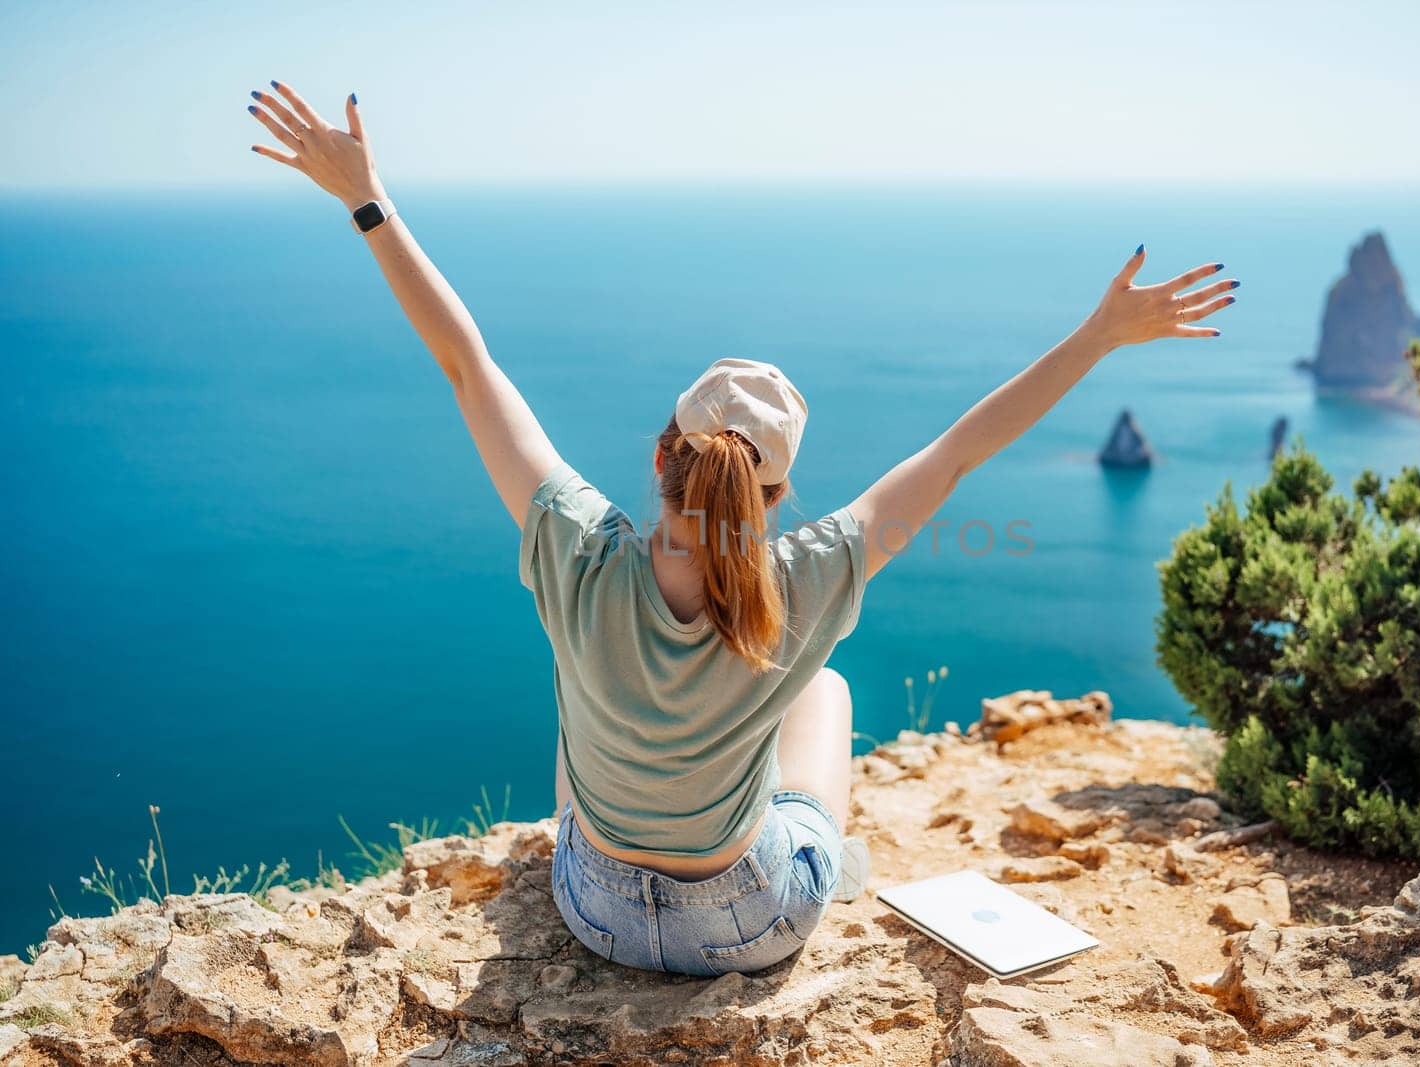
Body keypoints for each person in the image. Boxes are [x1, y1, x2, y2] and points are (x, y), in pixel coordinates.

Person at [245, 82, 1238, 977]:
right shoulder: (805, 580)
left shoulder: (577, 552)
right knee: (826, 687)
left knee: (575, 684)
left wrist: (365, 198)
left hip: (591, 910)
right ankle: (804, 855)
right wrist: (1102, 333)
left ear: (660, 455)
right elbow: (959, 450)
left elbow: (467, 364)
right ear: (773, 496)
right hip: (747, 921)